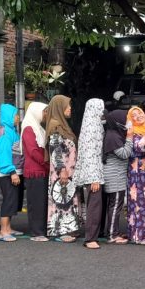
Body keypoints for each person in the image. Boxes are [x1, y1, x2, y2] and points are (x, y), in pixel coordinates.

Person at [45, 95, 82, 243]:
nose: (70, 108)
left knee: (68, 199)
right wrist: (62, 170)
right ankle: (60, 231)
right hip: (62, 172)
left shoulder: (62, 125)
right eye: (67, 106)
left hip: (69, 170)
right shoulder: (55, 126)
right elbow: (56, 151)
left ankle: (70, 228)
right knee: (62, 200)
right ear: (59, 108)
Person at [74, 98, 106, 250]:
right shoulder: (92, 127)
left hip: (93, 171)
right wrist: (94, 178)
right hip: (93, 174)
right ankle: (90, 238)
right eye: (100, 107)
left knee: (95, 204)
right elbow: (90, 153)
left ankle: (93, 235)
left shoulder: (91, 124)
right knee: (94, 205)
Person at [101, 109, 133, 245]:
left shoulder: (114, 133)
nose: (128, 122)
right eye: (126, 119)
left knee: (114, 205)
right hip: (114, 177)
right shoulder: (112, 136)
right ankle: (112, 235)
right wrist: (130, 137)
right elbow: (124, 153)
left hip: (115, 175)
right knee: (115, 206)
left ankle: (112, 231)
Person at [0, 103, 24, 242]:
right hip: (7, 172)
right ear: (9, 116)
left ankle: (8, 228)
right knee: (8, 199)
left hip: (13, 170)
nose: (17, 118)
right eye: (15, 115)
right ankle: (3, 231)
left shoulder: (11, 130)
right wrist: (12, 172)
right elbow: (4, 155)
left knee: (12, 200)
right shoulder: (4, 132)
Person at [21, 102, 50, 242]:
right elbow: (33, 151)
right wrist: (46, 164)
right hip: (35, 171)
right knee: (36, 202)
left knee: (41, 201)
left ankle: (41, 230)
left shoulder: (37, 127)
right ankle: (36, 232)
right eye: (44, 111)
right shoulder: (28, 128)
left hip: (41, 170)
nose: (45, 114)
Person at [126, 106, 145, 245]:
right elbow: (139, 147)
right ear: (130, 119)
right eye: (134, 115)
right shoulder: (131, 132)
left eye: (140, 112)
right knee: (138, 203)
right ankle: (138, 235)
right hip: (136, 174)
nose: (139, 116)